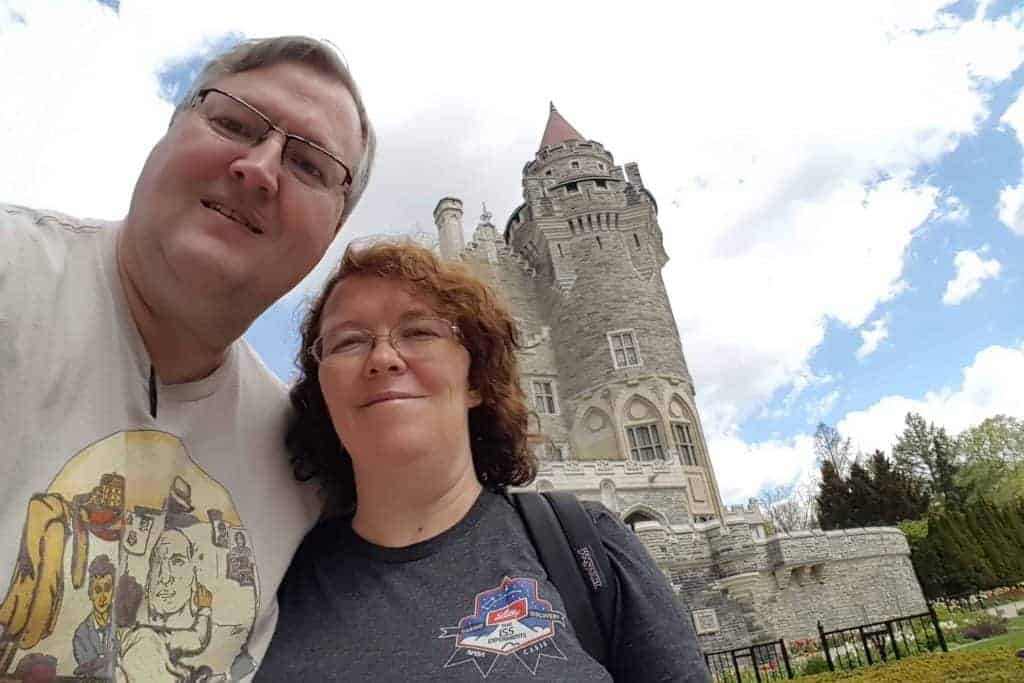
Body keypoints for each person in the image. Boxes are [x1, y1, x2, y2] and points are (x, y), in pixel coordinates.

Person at [0, 35, 376, 681]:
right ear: (171, 131)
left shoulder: (307, 470)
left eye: (310, 165)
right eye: (233, 122)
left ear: (332, 233)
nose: (259, 168)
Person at [258, 241, 710, 681]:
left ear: (475, 380)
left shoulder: (587, 550)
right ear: (322, 390)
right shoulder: (268, 583)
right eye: (349, 342)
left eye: (418, 332)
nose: (383, 358)